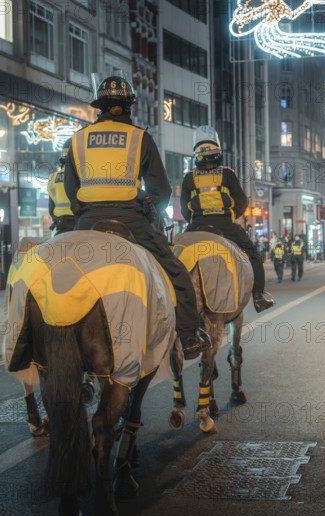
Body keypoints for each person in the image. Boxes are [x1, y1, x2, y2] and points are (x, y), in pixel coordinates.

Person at [64, 74, 210, 360]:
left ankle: (32, 341)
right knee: (177, 273)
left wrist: (83, 211)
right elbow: (162, 190)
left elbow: (71, 190)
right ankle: (190, 336)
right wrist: (148, 209)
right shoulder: (140, 138)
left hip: (86, 222)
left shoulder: (77, 139)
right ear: (129, 106)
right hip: (131, 220)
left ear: (99, 106)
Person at [180, 125, 274, 313]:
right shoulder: (227, 174)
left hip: (197, 226)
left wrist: (194, 219)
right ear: (218, 152)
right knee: (253, 254)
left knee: (175, 255)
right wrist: (230, 215)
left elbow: (184, 207)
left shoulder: (189, 177)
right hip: (225, 226)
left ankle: (175, 300)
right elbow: (241, 201)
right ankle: (258, 297)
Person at [47, 139, 76, 235]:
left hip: (61, 227)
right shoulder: (83, 176)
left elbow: (51, 208)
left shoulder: (53, 177)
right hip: (80, 225)